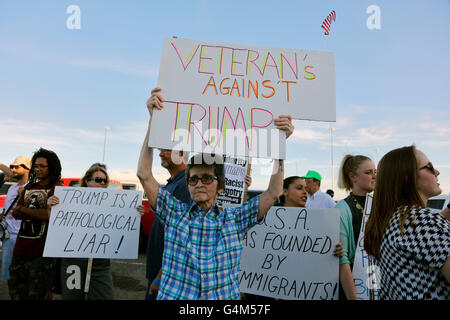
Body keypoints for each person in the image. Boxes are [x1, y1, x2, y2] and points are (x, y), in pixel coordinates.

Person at [137, 87, 294, 299]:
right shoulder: (174, 212)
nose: (199, 183)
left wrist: (279, 144)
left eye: (207, 178)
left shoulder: (235, 219)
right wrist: (153, 123)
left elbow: (274, 191)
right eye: (193, 179)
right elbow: (144, 173)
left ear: (220, 186)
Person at [47, 163, 145, 300]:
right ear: (87, 181)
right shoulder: (69, 202)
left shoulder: (113, 205)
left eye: (105, 181)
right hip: (73, 263)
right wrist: (52, 208)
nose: (102, 183)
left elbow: (122, 231)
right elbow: (57, 230)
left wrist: (135, 214)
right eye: (98, 180)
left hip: (100, 264)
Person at [364, 145, 450, 299]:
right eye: (429, 167)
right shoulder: (420, 221)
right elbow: (427, 229)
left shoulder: (395, 218)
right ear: (408, 178)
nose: (437, 172)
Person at [8, 148, 61, 300]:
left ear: (51, 167)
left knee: (37, 294)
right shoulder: (28, 188)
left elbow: (49, 215)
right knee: (16, 292)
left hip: (42, 253)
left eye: (42, 166)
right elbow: (16, 214)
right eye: (36, 166)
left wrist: (24, 209)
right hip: (20, 249)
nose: (37, 169)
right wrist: (24, 211)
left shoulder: (57, 189)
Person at [145, 148, 192, 300]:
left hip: (167, 278)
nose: (160, 153)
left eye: (166, 150)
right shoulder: (174, 183)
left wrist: (160, 277)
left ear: (181, 154)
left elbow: (182, 237)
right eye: (161, 150)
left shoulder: (184, 185)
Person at [335, 154, 376, 300]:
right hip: (355, 284)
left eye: (375, 172)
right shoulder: (342, 208)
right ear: (353, 177)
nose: (374, 176)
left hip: (380, 280)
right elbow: (342, 259)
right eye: (368, 172)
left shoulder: (381, 204)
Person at [0, 156, 31, 281]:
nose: (13, 169)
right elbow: (7, 210)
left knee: (22, 277)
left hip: (23, 237)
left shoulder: (32, 187)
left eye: (17, 166)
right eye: (11, 166)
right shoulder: (12, 188)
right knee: (6, 277)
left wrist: (23, 196)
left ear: (27, 169)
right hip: (8, 238)